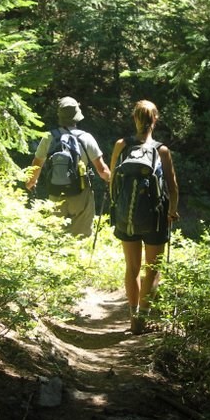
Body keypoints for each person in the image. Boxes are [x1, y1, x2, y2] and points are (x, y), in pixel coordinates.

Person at [110, 100, 179, 335]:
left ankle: (132, 314)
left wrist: (117, 209)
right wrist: (172, 211)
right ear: (155, 120)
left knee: (132, 267)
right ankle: (143, 318)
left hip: (125, 216)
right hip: (155, 219)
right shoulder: (162, 150)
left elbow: (112, 182)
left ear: (134, 118)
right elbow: (173, 188)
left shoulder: (121, 145)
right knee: (152, 269)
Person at [26, 96, 111, 237]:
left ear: (59, 115)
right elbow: (102, 170)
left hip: (56, 192)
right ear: (77, 116)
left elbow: (37, 164)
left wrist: (31, 182)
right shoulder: (86, 137)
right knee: (81, 237)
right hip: (81, 193)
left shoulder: (49, 137)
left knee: (55, 235)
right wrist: (111, 179)